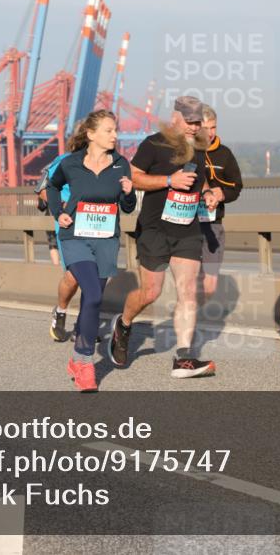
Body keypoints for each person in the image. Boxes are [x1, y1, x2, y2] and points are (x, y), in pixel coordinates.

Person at [108, 96, 220, 378]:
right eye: (191, 122)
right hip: (155, 229)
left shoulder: (199, 147)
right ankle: (123, 324)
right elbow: (133, 178)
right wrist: (170, 181)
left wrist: (207, 193)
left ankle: (183, 358)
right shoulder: (153, 144)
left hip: (187, 229)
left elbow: (201, 178)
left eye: (199, 123)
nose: (196, 128)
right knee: (151, 292)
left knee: (187, 291)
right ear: (175, 119)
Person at [47, 110, 136, 391]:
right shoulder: (71, 163)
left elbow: (128, 207)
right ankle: (85, 364)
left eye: (115, 130)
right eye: (109, 130)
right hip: (75, 236)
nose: (115, 135)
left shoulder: (121, 165)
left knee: (92, 301)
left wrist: (130, 192)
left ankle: (77, 358)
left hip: (106, 240)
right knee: (94, 293)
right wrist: (58, 212)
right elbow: (51, 186)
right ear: (92, 134)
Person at [198, 105, 243, 307]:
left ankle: (192, 311)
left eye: (213, 127)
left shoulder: (225, 154)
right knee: (187, 278)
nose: (210, 132)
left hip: (213, 224)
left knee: (210, 286)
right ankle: (186, 321)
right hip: (187, 225)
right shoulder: (186, 152)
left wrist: (222, 194)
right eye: (205, 128)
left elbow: (237, 187)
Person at [36, 155, 79, 342]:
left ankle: (85, 325)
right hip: (69, 224)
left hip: (99, 226)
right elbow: (42, 190)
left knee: (95, 277)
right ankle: (61, 311)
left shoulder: (111, 161)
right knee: (74, 276)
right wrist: (61, 205)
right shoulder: (64, 160)